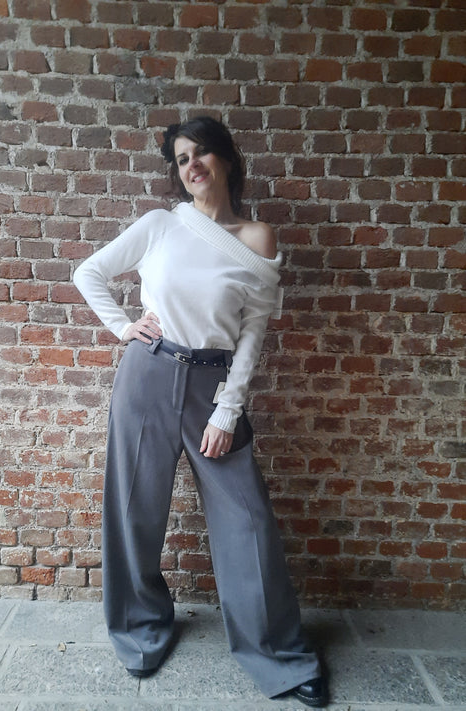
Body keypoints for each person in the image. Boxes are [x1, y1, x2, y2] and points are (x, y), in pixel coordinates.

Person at [73, 116, 328, 707]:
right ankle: (139, 629)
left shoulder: (257, 238)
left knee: (247, 520)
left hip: (213, 386)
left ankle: (279, 655)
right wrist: (123, 327)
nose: (192, 165)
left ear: (227, 160)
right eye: (182, 158)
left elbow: (252, 334)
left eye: (202, 153)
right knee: (133, 508)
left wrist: (227, 411)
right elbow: (88, 272)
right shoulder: (161, 225)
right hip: (148, 373)